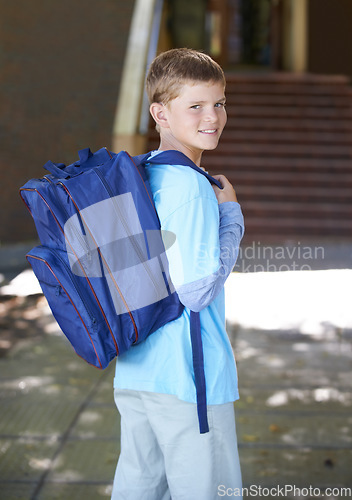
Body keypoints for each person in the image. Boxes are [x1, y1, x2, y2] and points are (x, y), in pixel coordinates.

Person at [111, 48, 244, 500]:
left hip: (138, 370)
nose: (213, 117)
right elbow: (196, 290)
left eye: (220, 103)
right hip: (190, 379)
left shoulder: (141, 173)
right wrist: (232, 219)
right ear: (160, 112)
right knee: (209, 491)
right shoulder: (191, 187)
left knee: (138, 487)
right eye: (196, 106)